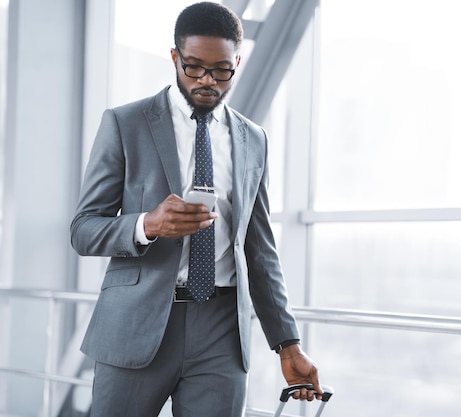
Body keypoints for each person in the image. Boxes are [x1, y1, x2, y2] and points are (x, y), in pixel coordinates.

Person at [70, 2, 322, 416]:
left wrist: (288, 343)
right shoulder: (125, 123)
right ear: (175, 57)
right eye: (194, 67)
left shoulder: (253, 139)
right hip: (137, 324)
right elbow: (83, 229)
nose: (208, 80)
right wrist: (146, 225)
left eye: (222, 70)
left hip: (222, 331)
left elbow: (259, 250)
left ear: (237, 62)